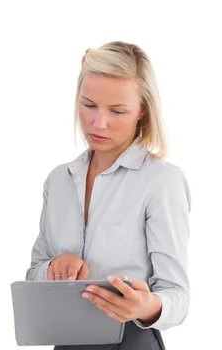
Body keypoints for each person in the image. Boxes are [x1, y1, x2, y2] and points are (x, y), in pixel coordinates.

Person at [26, 41, 191, 349]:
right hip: (64, 340)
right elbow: (34, 272)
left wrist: (146, 305)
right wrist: (53, 267)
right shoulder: (59, 181)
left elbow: (177, 295)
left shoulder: (161, 181)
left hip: (132, 341)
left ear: (142, 111)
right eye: (89, 105)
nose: (98, 123)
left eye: (117, 111)